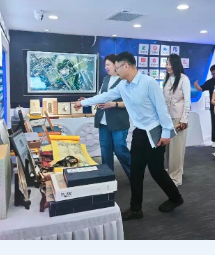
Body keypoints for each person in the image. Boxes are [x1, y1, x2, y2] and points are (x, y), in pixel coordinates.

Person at [75, 52, 183, 221]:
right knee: (136, 171)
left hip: (154, 132)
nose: (115, 71)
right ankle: (135, 209)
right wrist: (82, 102)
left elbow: (162, 110)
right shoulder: (123, 85)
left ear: (126, 65)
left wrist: (166, 133)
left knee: (156, 171)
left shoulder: (149, 83)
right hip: (139, 132)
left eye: (117, 67)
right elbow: (104, 96)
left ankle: (176, 198)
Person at [94, 54, 131, 180]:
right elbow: (100, 96)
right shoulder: (105, 79)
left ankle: (134, 175)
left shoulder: (125, 81)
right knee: (105, 151)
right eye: (105, 65)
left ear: (116, 64)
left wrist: (114, 104)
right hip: (103, 121)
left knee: (120, 149)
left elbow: (130, 102)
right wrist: (89, 101)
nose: (106, 67)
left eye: (108, 64)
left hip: (119, 121)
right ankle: (108, 178)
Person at [163, 54, 191, 186]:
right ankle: (171, 171)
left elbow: (187, 101)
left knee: (177, 149)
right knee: (169, 148)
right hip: (167, 118)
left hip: (178, 118)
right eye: (166, 64)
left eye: (169, 64)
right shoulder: (167, 78)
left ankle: (176, 177)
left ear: (176, 64)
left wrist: (184, 120)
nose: (167, 66)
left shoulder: (184, 79)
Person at [194, 64, 215, 147]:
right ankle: (214, 140)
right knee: (214, 123)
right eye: (213, 74)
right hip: (213, 105)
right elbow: (201, 88)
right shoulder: (210, 82)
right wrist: (197, 86)